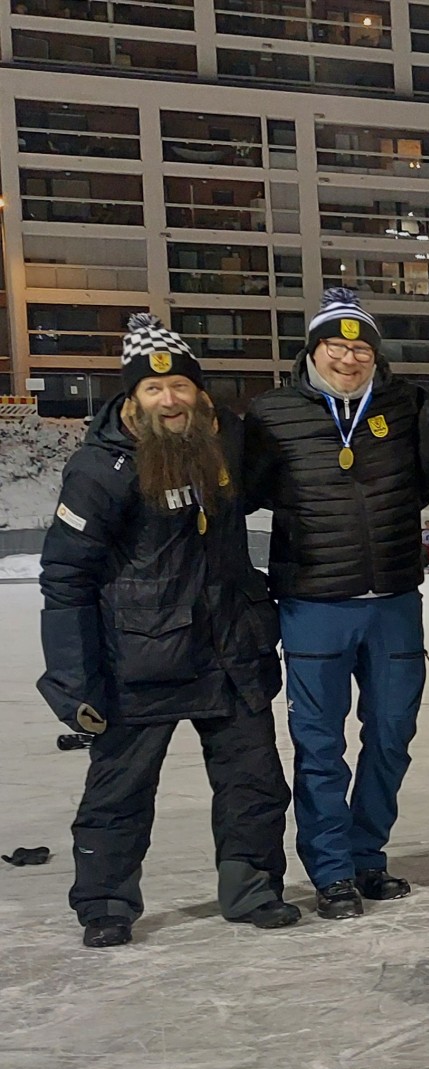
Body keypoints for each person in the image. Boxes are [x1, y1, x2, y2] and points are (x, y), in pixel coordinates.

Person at [39, 315, 294, 947]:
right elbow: (66, 578)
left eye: (180, 385)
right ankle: (105, 902)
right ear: (132, 399)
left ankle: (252, 888)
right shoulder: (99, 470)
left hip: (229, 649)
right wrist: (74, 683)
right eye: (153, 389)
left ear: (199, 392)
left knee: (254, 782)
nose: (169, 400)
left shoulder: (225, 441)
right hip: (140, 659)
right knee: (119, 792)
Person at [244, 286, 429, 919]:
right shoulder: (272, 414)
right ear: (313, 349)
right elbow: (241, 493)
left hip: (394, 601)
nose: (349, 358)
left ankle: (366, 856)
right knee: (320, 746)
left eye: (361, 349)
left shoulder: (405, 406)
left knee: (391, 736)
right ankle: (331, 872)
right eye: (336, 345)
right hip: (314, 604)